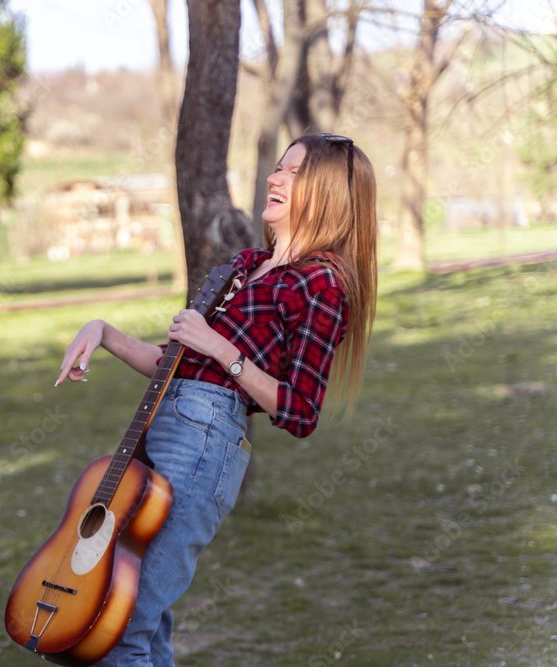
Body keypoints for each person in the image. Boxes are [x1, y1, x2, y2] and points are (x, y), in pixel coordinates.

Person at [54, 133, 378, 666]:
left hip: (205, 448)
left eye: (294, 173)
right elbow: (178, 362)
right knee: (143, 620)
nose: (274, 179)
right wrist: (104, 331)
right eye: (279, 168)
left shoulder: (321, 282)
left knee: (119, 626)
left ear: (329, 193)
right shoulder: (250, 263)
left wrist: (221, 349)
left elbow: (299, 410)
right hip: (164, 426)